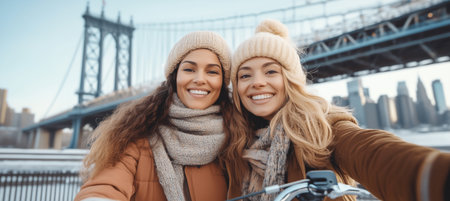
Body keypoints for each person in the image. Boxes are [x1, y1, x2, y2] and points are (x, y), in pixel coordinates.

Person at [224, 19, 450, 201]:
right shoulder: (233, 143)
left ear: (291, 79)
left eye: (271, 72)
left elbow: (372, 152)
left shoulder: (322, 127)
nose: (257, 82)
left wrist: (435, 177)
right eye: (245, 75)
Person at [74, 31, 236, 201]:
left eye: (212, 72)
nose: (200, 79)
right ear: (175, 77)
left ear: (223, 81)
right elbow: (104, 188)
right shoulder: (134, 137)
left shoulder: (238, 139)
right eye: (189, 69)